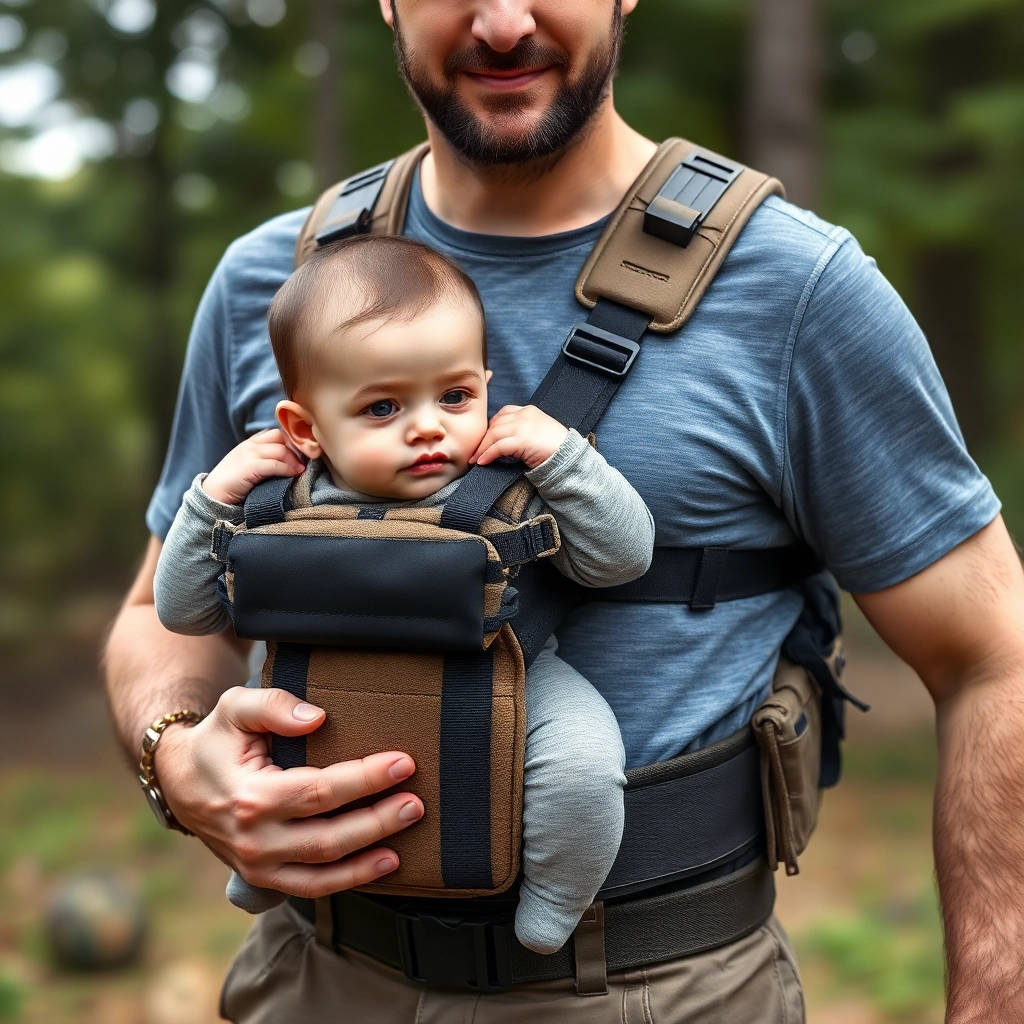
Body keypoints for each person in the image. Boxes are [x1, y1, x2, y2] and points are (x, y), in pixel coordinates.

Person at [104, 0, 1024, 1020]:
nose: (503, 23)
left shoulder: (798, 288)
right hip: (316, 977)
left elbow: (995, 656)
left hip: (650, 988)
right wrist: (173, 754)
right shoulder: (272, 284)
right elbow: (161, 612)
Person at [151, 233, 652, 954]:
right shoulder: (276, 498)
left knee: (581, 766)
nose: (428, 428)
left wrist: (563, 456)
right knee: (265, 764)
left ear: (485, 383)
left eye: (455, 396)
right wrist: (212, 501)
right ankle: (264, 873)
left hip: (501, 672)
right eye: (382, 408)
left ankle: (551, 906)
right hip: (317, 688)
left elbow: (624, 558)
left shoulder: (513, 477)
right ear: (305, 427)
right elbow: (183, 611)